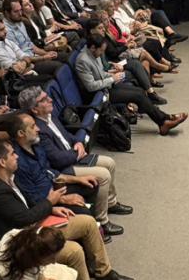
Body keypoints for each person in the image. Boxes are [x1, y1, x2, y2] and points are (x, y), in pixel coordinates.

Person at [0, 140, 128, 280]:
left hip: (34, 227)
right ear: (1, 162)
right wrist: (50, 202)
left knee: (88, 222)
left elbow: (28, 203)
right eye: (11, 154)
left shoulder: (9, 178)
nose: (16, 156)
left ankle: (103, 273)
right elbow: (24, 217)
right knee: (73, 251)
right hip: (22, 243)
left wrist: (51, 208)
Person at [20, 86, 132, 215]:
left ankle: (110, 203)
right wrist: (78, 153)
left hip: (72, 156)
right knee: (103, 175)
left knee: (110, 163)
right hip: (64, 167)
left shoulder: (49, 115)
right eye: (44, 99)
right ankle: (102, 219)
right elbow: (57, 159)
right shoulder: (38, 129)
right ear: (34, 109)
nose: (50, 99)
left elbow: (66, 134)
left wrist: (77, 142)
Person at [76, 35, 187, 135]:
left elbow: (100, 73)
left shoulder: (94, 54)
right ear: (92, 48)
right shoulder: (83, 61)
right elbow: (90, 86)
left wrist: (112, 74)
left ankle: (164, 119)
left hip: (105, 85)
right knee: (138, 96)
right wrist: (111, 79)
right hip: (97, 94)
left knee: (139, 91)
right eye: (101, 51)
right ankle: (163, 122)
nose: (102, 53)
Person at [6, 112, 102, 223]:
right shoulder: (18, 162)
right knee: (83, 212)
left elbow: (49, 171)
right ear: (21, 133)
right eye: (33, 126)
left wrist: (78, 179)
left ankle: (97, 225)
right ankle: (89, 225)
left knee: (91, 184)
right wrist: (62, 199)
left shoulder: (35, 145)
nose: (38, 129)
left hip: (53, 187)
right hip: (45, 200)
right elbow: (30, 196)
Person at [0, 0, 65, 74]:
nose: (20, 13)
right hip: (28, 63)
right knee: (59, 66)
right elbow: (19, 56)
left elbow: (30, 44)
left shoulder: (19, 21)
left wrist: (44, 53)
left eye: (20, 10)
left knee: (63, 56)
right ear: (7, 13)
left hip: (35, 55)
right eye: (16, 11)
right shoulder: (6, 30)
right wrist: (43, 57)